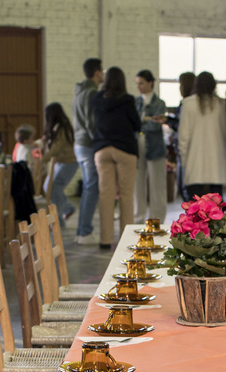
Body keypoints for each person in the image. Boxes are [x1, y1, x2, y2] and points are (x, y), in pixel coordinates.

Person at [90, 66, 141, 249]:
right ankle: (126, 240)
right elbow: (137, 124)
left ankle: (105, 240)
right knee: (126, 195)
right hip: (124, 150)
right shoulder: (127, 100)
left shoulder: (96, 99)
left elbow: (93, 123)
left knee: (106, 195)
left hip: (102, 149)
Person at [178, 71, 226, 200]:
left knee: (195, 206)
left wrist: (185, 161)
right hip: (217, 164)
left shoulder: (188, 104)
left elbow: (183, 137)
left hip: (194, 164)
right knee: (216, 207)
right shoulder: (221, 105)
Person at [73, 57, 104, 245]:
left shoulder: (79, 90)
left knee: (88, 188)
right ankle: (85, 232)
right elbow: (91, 122)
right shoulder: (91, 92)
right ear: (97, 73)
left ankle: (81, 231)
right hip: (88, 144)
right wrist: (99, 141)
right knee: (92, 188)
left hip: (79, 143)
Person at [132, 70, 168, 224]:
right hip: (136, 144)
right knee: (137, 184)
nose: (138, 86)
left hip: (155, 147)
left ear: (150, 83)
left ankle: (156, 220)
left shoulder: (159, 103)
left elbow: (155, 125)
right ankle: (138, 218)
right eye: (137, 83)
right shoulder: (135, 102)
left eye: (141, 83)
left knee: (157, 185)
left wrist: (143, 122)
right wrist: (146, 120)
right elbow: (133, 123)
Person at [42, 103, 78, 224]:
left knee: (53, 187)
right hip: (61, 162)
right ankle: (68, 208)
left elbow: (56, 148)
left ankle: (58, 219)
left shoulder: (63, 128)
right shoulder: (57, 127)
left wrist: (43, 160)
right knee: (48, 186)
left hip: (69, 162)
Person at [168, 71, 197, 200]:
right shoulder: (187, 103)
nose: (179, 89)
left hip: (187, 152)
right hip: (183, 152)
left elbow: (182, 126)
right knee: (184, 188)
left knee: (186, 189)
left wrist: (169, 121)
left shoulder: (188, 104)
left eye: (180, 85)